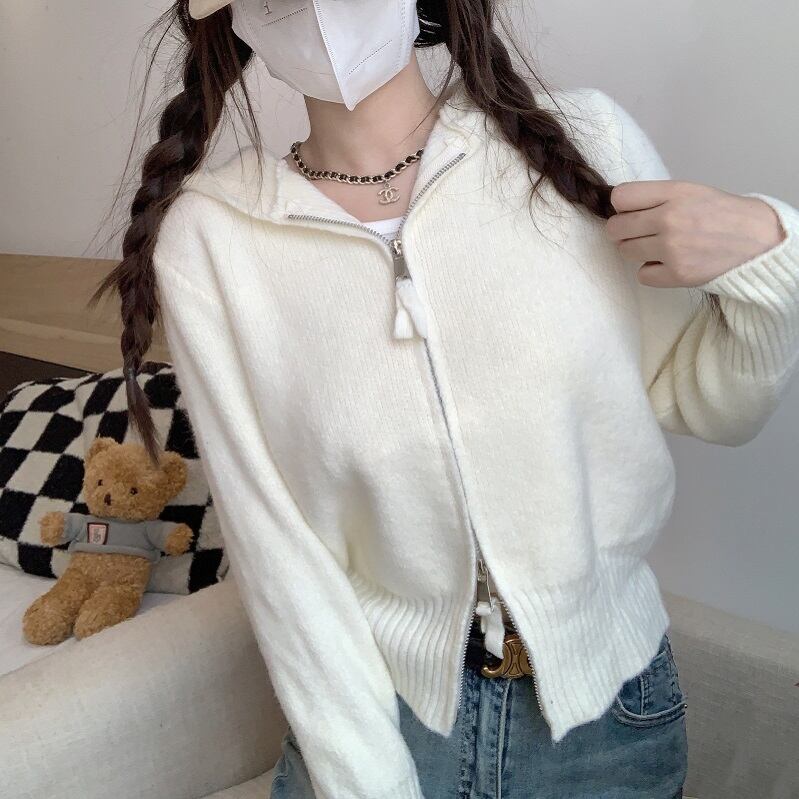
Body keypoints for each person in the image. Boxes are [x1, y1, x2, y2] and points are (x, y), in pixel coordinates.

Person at [91, 1, 799, 797]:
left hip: (613, 719)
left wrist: (775, 252)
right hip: (387, 721)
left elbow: (716, 407)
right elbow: (277, 552)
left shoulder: (587, 140)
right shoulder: (213, 238)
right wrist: (365, 779)